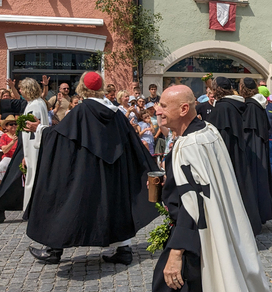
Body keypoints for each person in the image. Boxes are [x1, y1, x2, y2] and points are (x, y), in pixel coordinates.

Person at [147, 85, 272, 292]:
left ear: (184, 108)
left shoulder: (189, 145)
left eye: (164, 105)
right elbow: (203, 184)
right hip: (209, 230)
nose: (157, 110)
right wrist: (170, 183)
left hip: (195, 238)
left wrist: (176, 253)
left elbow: (194, 203)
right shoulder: (208, 131)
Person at [25, 72, 159, 265]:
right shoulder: (115, 113)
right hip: (112, 172)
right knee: (116, 205)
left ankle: (54, 250)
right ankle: (123, 249)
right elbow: (131, 142)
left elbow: (60, 137)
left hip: (85, 172)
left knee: (68, 200)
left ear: (82, 88)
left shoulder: (82, 111)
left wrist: (39, 129)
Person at [208, 77, 263, 235]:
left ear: (216, 89)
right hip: (238, 153)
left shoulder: (223, 108)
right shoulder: (235, 105)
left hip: (227, 155)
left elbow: (219, 135)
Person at [240, 77, 272, 226]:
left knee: (254, 179)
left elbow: (247, 130)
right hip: (260, 145)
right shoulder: (260, 104)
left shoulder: (250, 106)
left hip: (252, 148)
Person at [16, 78, 49, 210]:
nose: (20, 91)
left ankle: (33, 209)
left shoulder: (35, 105)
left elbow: (32, 130)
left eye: (22, 88)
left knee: (34, 176)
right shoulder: (33, 103)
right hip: (31, 148)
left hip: (35, 147)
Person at [0, 116, 18, 181]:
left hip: (18, 158)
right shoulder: (4, 136)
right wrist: (13, 142)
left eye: (15, 124)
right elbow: (4, 150)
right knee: (2, 166)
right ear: (6, 127)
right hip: (8, 157)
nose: (14, 126)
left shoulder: (21, 135)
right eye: (11, 124)